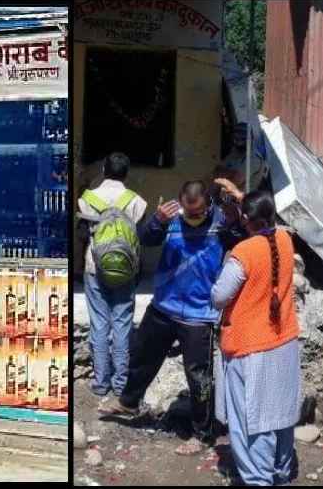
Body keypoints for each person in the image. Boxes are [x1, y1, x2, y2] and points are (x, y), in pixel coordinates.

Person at [99, 179, 246, 456]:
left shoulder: (221, 225)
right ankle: (129, 402)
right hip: (164, 305)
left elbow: (245, 235)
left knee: (198, 376)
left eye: (198, 212)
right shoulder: (170, 219)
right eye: (188, 212)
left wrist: (238, 204)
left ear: (208, 205)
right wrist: (156, 220)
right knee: (142, 355)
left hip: (198, 314)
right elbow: (145, 239)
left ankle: (202, 434)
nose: (192, 217)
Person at [211, 191, 301, 486]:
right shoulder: (285, 240)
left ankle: (258, 479)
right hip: (283, 341)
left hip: (250, 347)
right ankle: (280, 474)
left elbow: (220, 296)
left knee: (252, 421)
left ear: (246, 220)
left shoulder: (244, 252)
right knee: (280, 417)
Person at [78, 152, 148, 398]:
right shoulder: (136, 201)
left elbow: (81, 235)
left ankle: (100, 383)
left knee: (99, 324)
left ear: (104, 170)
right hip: (126, 270)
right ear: (126, 173)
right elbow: (140, 236)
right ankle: (120, 383)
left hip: (94, 267)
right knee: (122, 324)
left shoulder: (87, 200)